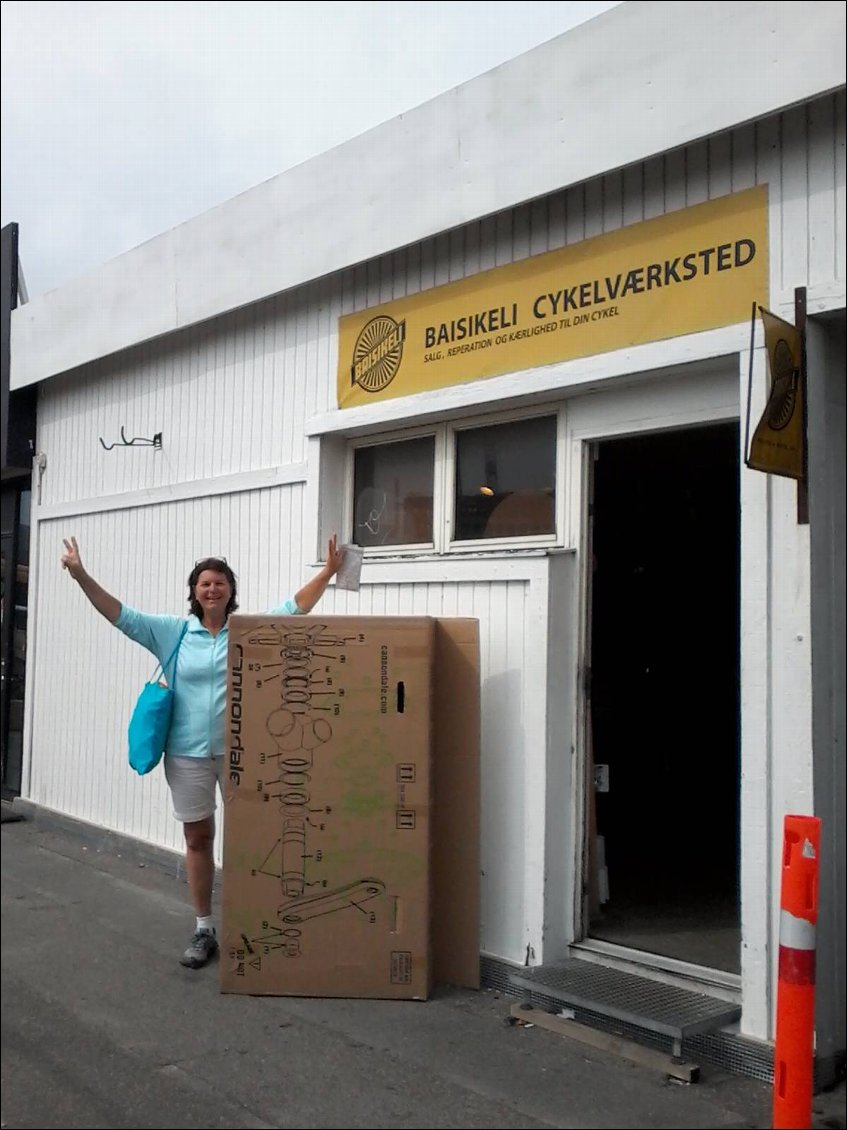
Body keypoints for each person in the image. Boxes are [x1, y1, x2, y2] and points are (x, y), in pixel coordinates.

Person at [60, 534, 344, 969]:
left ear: (231, 590)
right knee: (198, 838)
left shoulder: (248, 630)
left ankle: (262, 923)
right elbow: (119, 614)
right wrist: (81, 575)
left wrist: (327, 572)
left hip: (242, 754)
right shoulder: (173, 633)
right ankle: (204, 927)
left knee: (255, 837)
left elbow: (295, 609)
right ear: (194, 592)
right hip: (187, 755)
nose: (212, 589)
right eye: (204, 584)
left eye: (220, 583)